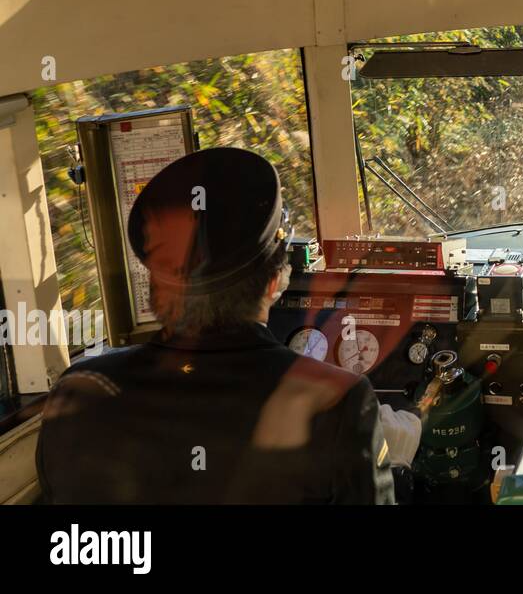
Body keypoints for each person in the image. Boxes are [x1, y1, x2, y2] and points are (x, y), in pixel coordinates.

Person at [37, 147, 402, 503]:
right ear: (274, 282)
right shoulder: (338, 403)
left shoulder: (79, 392)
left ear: (154, 290)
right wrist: (392, 462)